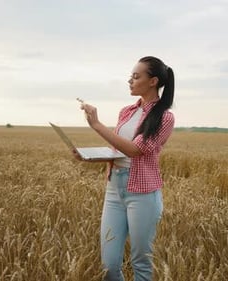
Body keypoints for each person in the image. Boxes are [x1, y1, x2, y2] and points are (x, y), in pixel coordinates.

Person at [77, 56, 175, 281]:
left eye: (136, 76)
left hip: (142, 193)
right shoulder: (127, 111)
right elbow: (118, 149)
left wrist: (96, 125)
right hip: (114, 189)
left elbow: (134, 150)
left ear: (153, 81)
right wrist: (88, 156)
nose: (129, 80)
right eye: (131, 76)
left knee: (141, 262)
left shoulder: (164, 117)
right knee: (108, 266)